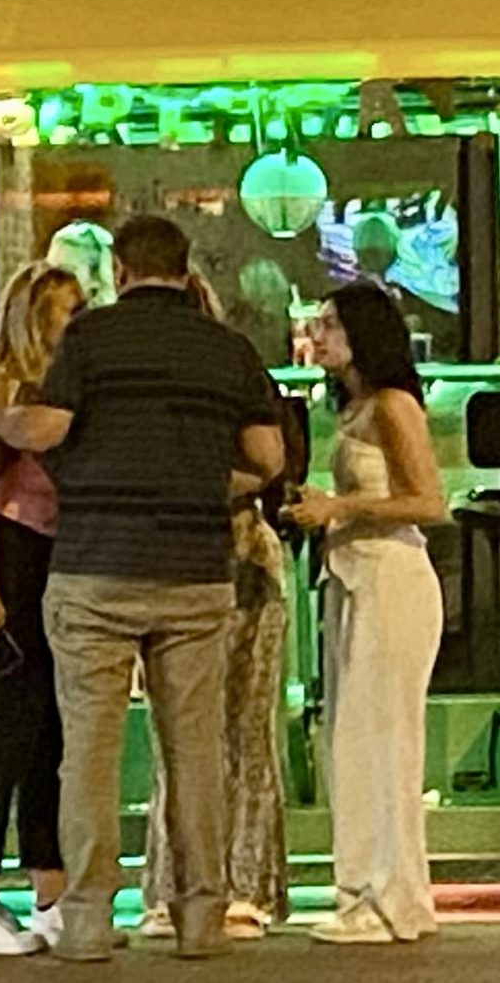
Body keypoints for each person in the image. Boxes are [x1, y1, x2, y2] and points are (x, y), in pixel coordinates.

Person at [0, 215, 284, 962]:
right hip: (194, 573)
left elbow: (52, 429)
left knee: (87, 755)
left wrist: (3, 416)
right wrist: (201, 482)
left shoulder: (90, 340)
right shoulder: (227, 348)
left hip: (95, 567)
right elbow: (269, 455)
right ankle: (199, 920)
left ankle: (87, 922)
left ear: (119, 271)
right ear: (187, 274)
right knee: (194, 752)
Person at [286, 283, 449, 944]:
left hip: (391, 578)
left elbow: (429, 501)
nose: (316, 336)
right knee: (352, 739)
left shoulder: (391, 405)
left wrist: (341, 509)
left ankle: (392, 899)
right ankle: (364, 890)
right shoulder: (354, 409)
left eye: (328, 325)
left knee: (384, 741)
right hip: (353, 578)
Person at [137, 272, 292, 941]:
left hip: (232, 550)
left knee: (237, 729)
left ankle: (243, 884)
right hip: (183, 551)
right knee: (183, 733)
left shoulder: (228, 373)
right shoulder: (177, 382)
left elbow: (270, 464)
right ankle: (181, 885)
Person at [0, 264, 85, 955]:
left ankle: (50, 888)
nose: (78, 319)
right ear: (34, 318)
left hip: (55, 567)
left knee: (51, 737)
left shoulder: (75, 392)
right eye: (66, 309)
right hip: (3, 559)